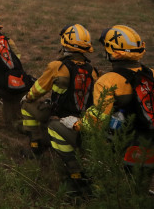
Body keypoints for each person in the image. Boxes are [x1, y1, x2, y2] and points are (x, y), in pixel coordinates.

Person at [49, 25, 154, 193]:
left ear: (112, 51)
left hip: (120, 146)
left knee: (55, 127)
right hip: (148, 143)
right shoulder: (151, 74)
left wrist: (76, 124)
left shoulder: (109, 81)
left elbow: (96, 124)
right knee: (138, 190)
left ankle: (75, 177)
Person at [21, 24, 98, 157]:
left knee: (26, 104)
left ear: (65, 43)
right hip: (83, 120)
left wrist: (27, 97)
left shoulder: (57, 67)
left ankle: (35, 145)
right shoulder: (93, 71)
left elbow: (38, 89)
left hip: (59, 116)